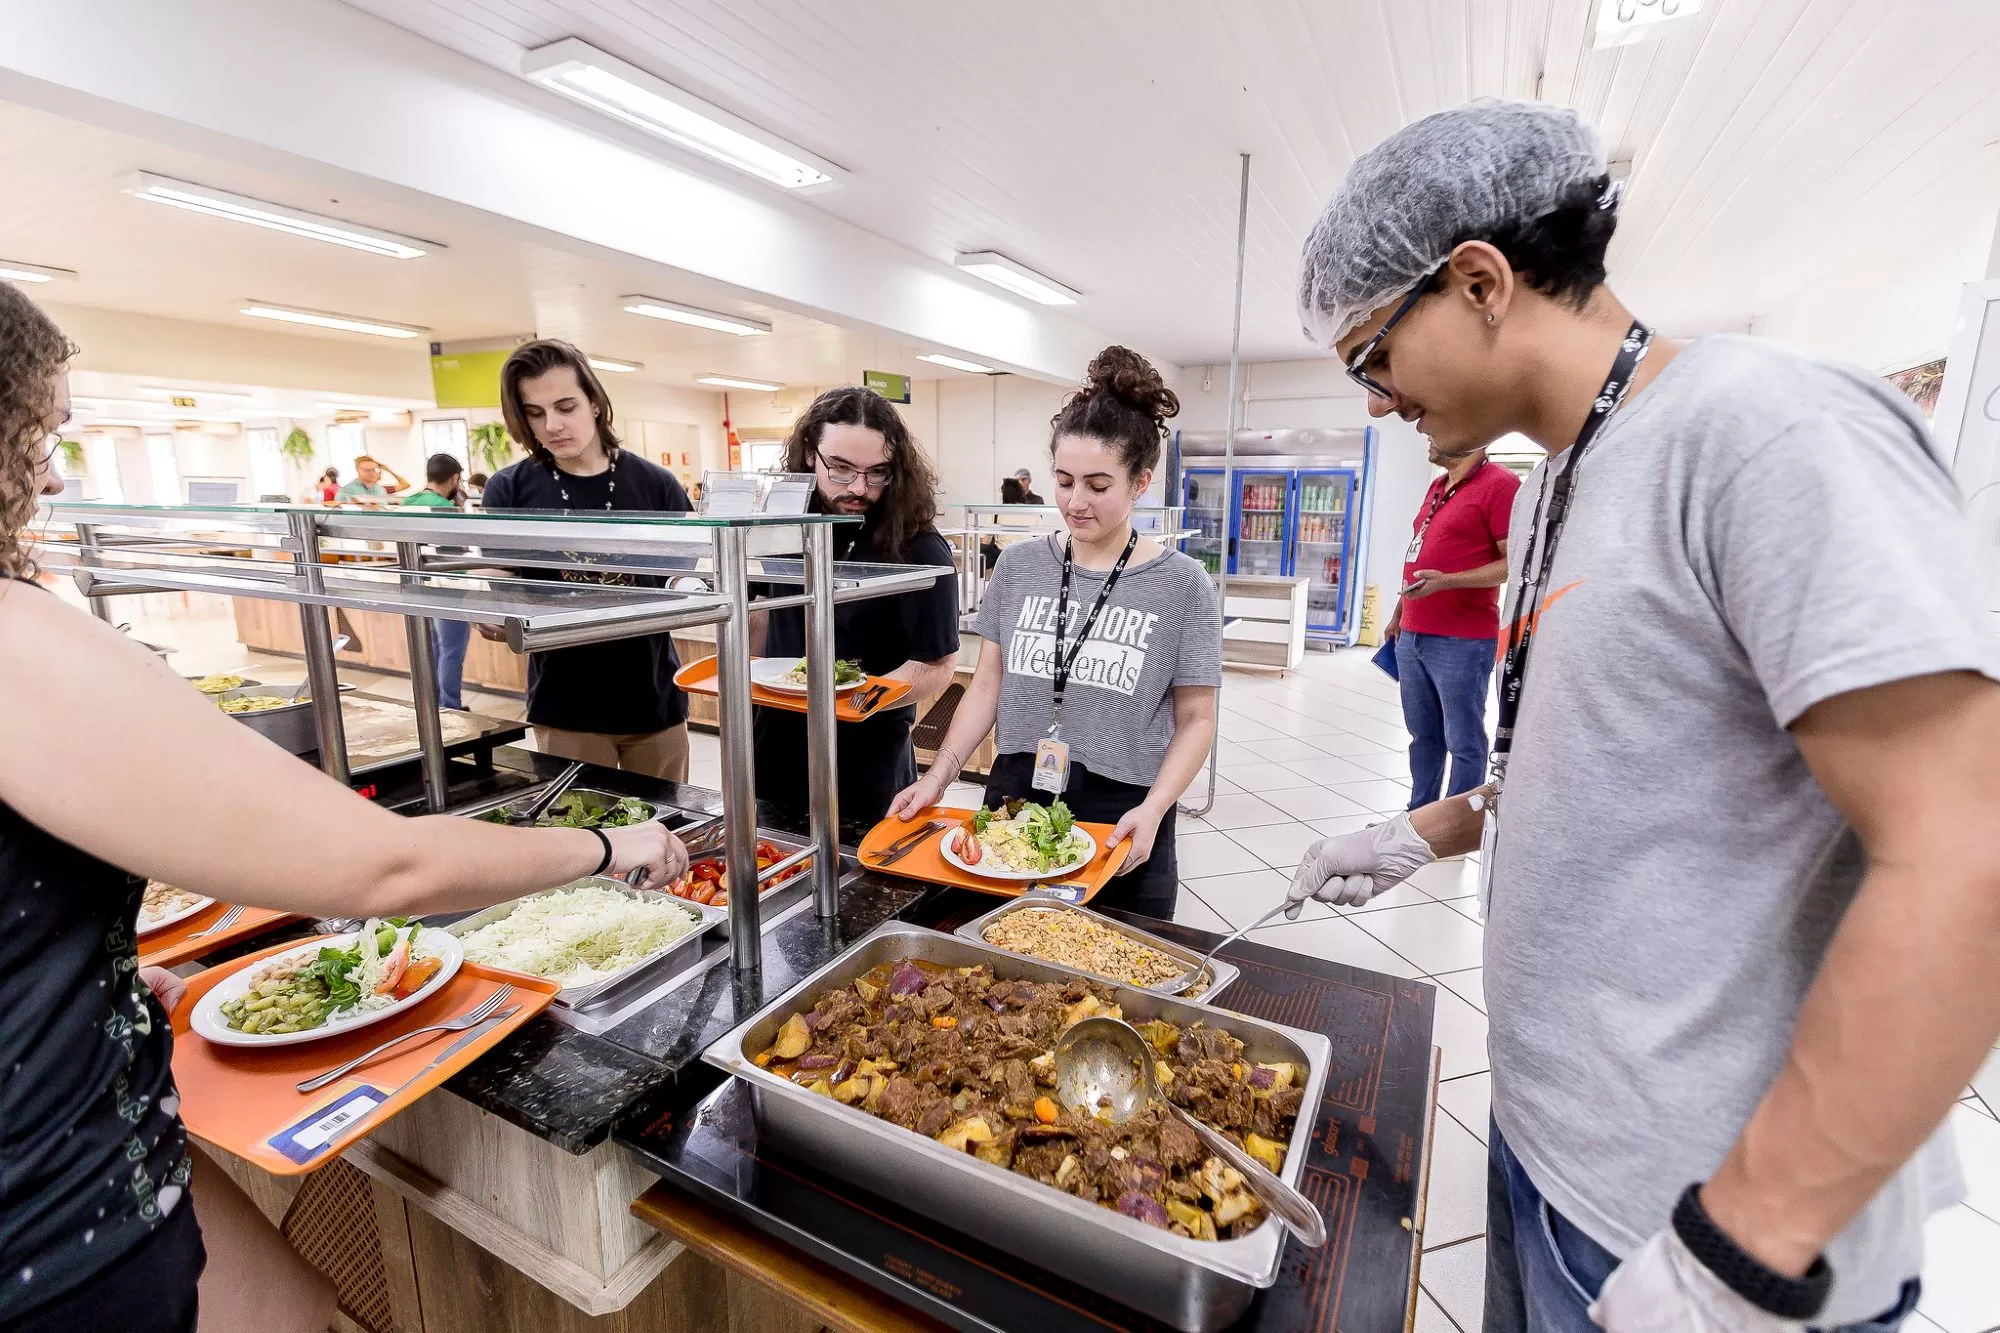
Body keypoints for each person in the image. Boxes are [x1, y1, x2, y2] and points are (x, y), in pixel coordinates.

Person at [1289, 98, 2000, 1333]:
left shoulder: (1760, 428)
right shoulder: (1572, 467)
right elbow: (1614, 756)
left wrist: (1743, 1251)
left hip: (1701, 1224)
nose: (1372, 402)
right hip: (1552, 1152)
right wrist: (1423, 830)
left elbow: (1965, 847)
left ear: (1477, 282)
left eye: (1371, 357)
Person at [0, 284, 686, 1333]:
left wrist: (101, 968)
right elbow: (384, 869)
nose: (49, 473)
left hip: (78, 1125)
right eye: (34, 435)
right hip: (54, 1214)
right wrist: (607, 844)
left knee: (298, 1305)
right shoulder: (17, 641)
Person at [890, 347, 1221, 919]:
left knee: (1112, 979)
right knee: (1000, 969)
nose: (1074, 501)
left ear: (1141, 482)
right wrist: (939, 776)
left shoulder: (1183, 584)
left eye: (1098, 485)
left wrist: (1159, 806)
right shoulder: (1019, 567)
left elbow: (1196, 718)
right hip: (1016, 792)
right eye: (1064, 481)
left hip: (1123, 808)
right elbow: (987, 685)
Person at [478, 340, 695, 780]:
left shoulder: (656, 486)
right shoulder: (510, 491)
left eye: (565, 406)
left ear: (594, 402)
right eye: (535, 413)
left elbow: (691, 583)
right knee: (580, 839)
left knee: (667, 834)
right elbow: (499, 578)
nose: (552, 425)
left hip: (654, 702)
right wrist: (488, 607)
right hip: (565, 706)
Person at [749, 387, 959, 824]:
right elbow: (763, 612)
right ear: (810, 452)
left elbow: (937, 665)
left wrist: (855, 699)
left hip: (868, 756)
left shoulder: (918, 547)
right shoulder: (784, 524)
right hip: (776, 742)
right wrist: (747, 676)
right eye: (841, 469)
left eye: (877, 472)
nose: (860, 488)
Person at [1386, 438, 1518, 806]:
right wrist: (1399, 613)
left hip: (1462, 639)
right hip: (1413, 634)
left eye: (1438, 428)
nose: (1428, 434)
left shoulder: (1501, 484)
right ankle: (1420, 814)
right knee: (1422, 735)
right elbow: (1419, 548)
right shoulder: (1438, 486)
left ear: (1469, 435)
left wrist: (1448, 581)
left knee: (1464, 739)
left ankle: (1458, 823)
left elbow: (1512, 564)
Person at [401, 453, 472, 710]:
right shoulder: (443, 506)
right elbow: (455, 548)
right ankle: (451, 707)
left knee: (431, 647)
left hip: (418, 584)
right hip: (448, 584)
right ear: (454, 477)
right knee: (452, 649)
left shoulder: (409, 501)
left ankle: (431, 705)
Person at [334, 455, 409, 504]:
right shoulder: (348, 489)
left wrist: (388, 469)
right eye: (367, 470)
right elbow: (338, 502)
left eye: (374, 470)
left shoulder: (380, 489)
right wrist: (354, 502)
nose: (372, 473)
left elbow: (405, 485)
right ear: (358, 470)